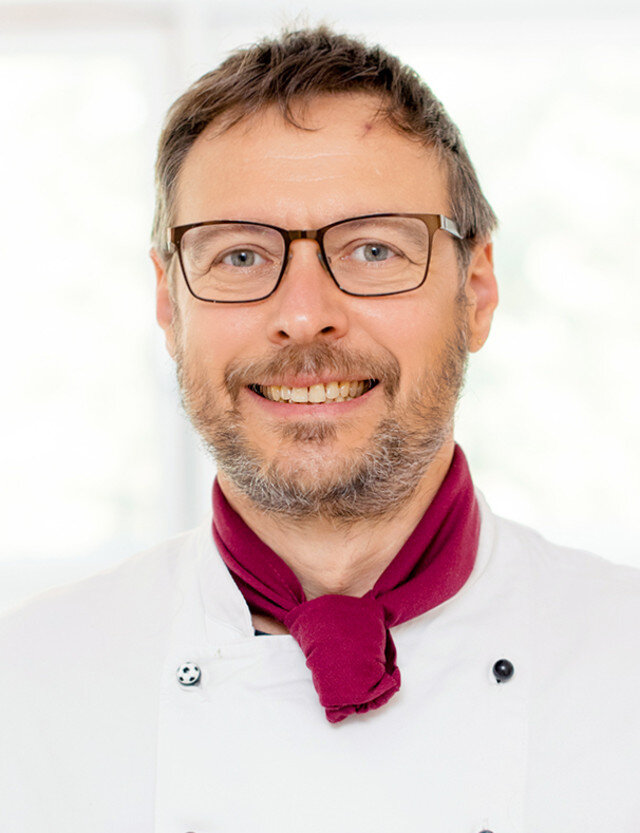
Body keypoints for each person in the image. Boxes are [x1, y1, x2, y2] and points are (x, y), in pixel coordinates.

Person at [1, 26, 639, 833]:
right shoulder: (27, 690)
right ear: (169, 303)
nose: (304, 316)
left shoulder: (624, 666)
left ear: (476, 291)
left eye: (373, 249)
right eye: (239, 256)